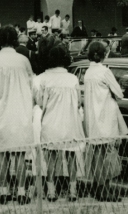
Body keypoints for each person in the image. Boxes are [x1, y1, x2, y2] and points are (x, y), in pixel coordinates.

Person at [0, 25, 34, 204]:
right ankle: (21, 192)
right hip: (20, 110)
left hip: (0, 110)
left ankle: (4, 191)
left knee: (1, 153)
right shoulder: (23, 59)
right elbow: (30, 82)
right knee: (20, 154)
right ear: (15, 39)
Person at [35, 45, 85, 202]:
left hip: (51, 123)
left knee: (51, 157)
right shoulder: (73, 78)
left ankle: (51, 191)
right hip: (70, 123)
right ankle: (72, 191)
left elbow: (40, 102)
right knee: (71, 156)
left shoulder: (43, 78)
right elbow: (78, 102)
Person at [83, 40, 127, 201]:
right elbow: (119, 93)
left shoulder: (88, 72)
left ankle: (97, 186)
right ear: (101, 55)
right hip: (105, 116)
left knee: (96, 154)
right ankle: (103, 189)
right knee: (106, 154)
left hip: (92, 117)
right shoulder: (104, 71)